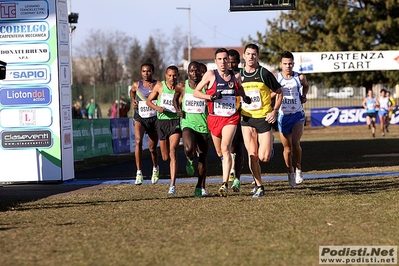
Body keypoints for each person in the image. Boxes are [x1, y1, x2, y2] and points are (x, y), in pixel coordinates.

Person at [193, 48, 251, 197]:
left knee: (225, 148)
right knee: (220, 152)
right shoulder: (211, 75)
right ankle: (229, 164)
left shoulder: (235, 76)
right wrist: (210, 97)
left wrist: (245, 97)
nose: (223, 62)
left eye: (225, 59)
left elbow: (240, 90)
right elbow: (196, 92)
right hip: (214, 118)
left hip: (231, 117)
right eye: (220, 59)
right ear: (215, 61)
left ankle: (224, 183)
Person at [240, 43, 282, 197]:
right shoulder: (239, 75)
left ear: (257, 56)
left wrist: (275, 110)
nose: (251, 57)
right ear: (244, 56)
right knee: (252, 154)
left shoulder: (264, 73)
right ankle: (259, 186)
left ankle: (270, 144)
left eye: (254, 54)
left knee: (263, 157)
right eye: (248, 54)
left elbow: (279, 92)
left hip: (263, 118)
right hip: (246, 119)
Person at [173, 61, 210, 197]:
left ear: (202, 72)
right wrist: (178, 110)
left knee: (203, 157)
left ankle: (200, 185)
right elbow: (175, 98)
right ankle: (189, 158)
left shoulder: (206, 87)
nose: (194, 74)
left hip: (204, 126)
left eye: (197, 71)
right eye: (191, 71)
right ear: (188, 72)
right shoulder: (182, 86)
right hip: (187, 124)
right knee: (189, 149)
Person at [276, 51, 309, 188]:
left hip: (297, 114)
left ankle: (299, 169)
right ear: (280, 64)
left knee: (296, 142)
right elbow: (271, 92)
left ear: (293, 64)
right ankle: (290, 172)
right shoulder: (277, 78)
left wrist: (303, 95)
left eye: (290, 63)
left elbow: (306, 86)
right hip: (283, 115)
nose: (288, 66)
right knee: (287, 149)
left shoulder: (299, 77)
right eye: (285, 64)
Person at [146, 65, 182, 194]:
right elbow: (148, 101)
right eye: (170, 75)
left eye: (174, 75)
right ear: (166, 76)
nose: (172, 78)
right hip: (162, 122)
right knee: (165, 157)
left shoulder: (181, 88)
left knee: (173, 151)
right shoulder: (160, 86)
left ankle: (172, 185)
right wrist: (158, 108)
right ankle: (159, 167)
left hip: (175, 122)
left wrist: (180, 110)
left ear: (178, 75)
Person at [130, 63, 160, 185]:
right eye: (143, 71)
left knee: (152, 148)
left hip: (153, 118)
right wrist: (133, 100)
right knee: (138, 141)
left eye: (148, 71)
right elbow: (131, 92)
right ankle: (139, 172)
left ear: (152, 72)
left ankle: (155, 168)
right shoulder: (137, 85)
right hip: (140, 117)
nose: (146, 74)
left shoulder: (158, 85)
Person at [227, 49, 244, 193]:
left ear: (238, 62)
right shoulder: (223, 76)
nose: (230, 64)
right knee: (228, 147)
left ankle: (237, 177)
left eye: (233, 62)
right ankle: (230, 167)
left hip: (242, 114)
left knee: (238, 146)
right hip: (225, 115)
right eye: (228, 61)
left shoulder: (242, 75)